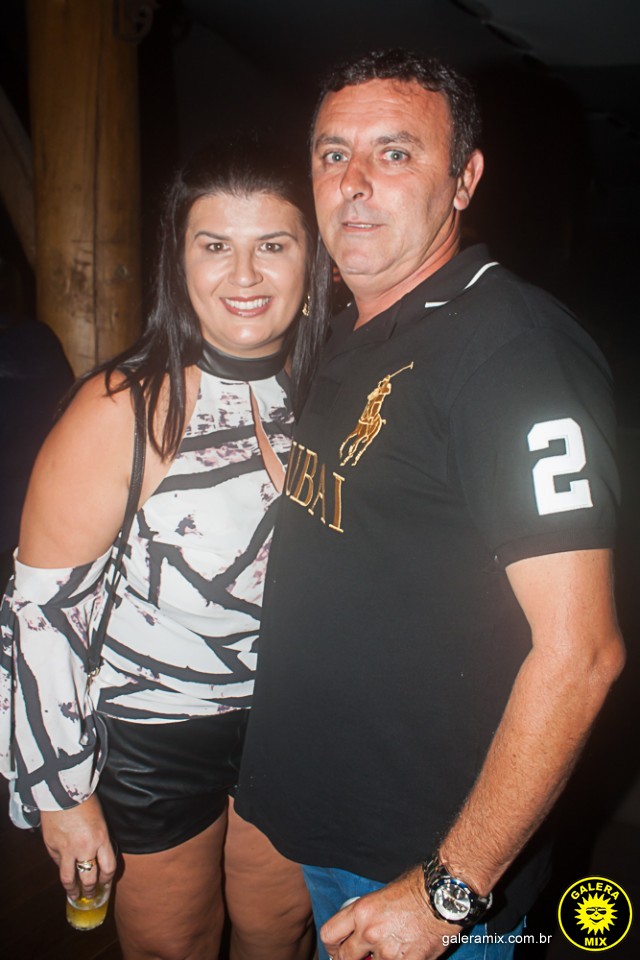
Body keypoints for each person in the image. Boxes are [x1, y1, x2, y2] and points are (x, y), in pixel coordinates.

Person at [234, 50, 625, 960]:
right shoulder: (354, 327)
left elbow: (583, 655)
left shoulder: (513, 353)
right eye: (333, 154)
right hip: (329, 821)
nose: (354, 183)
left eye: (396, 153)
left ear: (464, 179)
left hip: (423, 863)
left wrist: (449, 889)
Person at [0, 138, 321, 960]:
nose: (244, 275)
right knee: (173, 947)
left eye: (272, 245)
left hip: (297, 721)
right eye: (214, 245)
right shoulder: (122, 409)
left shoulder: (338, 393)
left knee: (279, 932)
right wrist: (62, 796)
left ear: (311, 257)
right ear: (178, 263)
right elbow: (42, 618)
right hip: (157, 732)